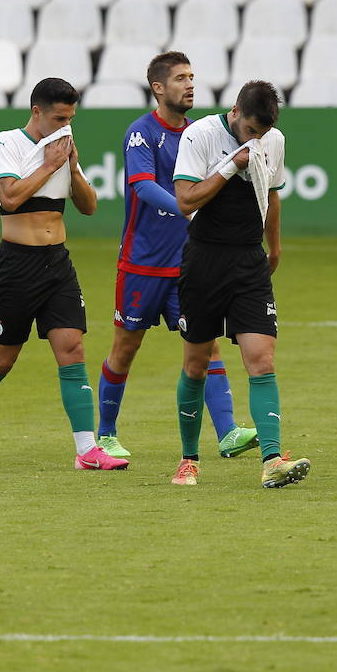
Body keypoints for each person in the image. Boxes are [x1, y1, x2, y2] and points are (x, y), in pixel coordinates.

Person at [0, 78, 127, 472]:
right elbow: (9, 197)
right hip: (16, 265)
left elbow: (90, 206)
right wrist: (49, 165)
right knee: (2, 359)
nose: (65, 125)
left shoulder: (63, 149)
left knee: (72, 349)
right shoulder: (6, 143)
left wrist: (73, 168)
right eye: (59, 117)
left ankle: (86, 450)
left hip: (56, 262)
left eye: (71, 118)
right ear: (37, 111)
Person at [94, 52, 259, 461]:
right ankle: (105, 434)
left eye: (192, 77)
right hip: (142, 263)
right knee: (125, 348)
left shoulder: (197, 134)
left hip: (188, 261)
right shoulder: (141, 133)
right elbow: (142, 187)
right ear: (158, 87)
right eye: (181, 78)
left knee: (207, 347)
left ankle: (227, 432)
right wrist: (186, 206)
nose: (190, 84)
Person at [170, 80, 309, 489]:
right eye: (251, 131)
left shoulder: (274, 140)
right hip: (204, 262)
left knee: (262, 360)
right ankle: (189, 460)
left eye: (263, 134)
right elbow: (185, 200)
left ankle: (271, 461)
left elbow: (274, 195)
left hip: (248, 261)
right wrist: (232, 164)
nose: (257, 140)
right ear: (234, 112)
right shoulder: (201, 135)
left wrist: (275, 247)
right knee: (196, 365)